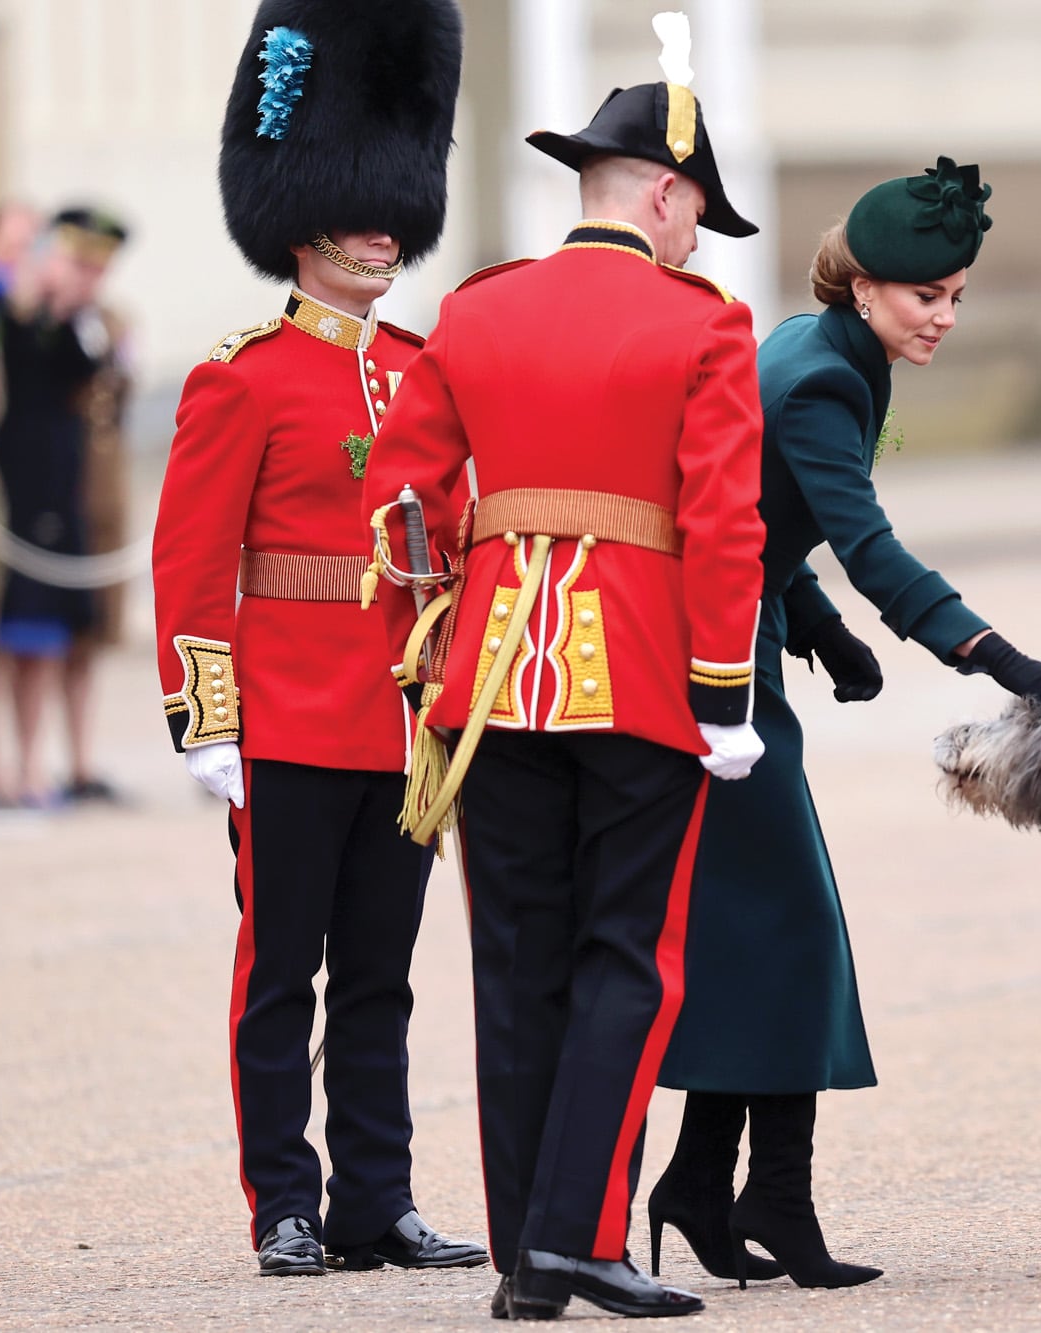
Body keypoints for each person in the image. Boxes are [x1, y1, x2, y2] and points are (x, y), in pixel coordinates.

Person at [361, 15, 767, 1319]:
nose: (697, 240)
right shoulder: (704, 321)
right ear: (662, 194)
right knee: (625, 962)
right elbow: (722, 523)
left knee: (516, 963)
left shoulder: (472, 311)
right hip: (643, 676)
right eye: (696, 213)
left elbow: (402, 511)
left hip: (489, 686)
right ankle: (578, 1238)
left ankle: (526, 1255)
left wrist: (422, 666)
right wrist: (725, 698)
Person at [646, 158, 1041, 1291]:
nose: (942, 317)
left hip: (733, 623)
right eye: (921, 296)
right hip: (706, 653)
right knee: (790, 920)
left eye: (954, 295)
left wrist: (811, 620)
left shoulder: (825, 347)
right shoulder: (825, 378)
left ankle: (706, 1183)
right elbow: (869, 541)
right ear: (862, 285)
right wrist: (994, 658)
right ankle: (767, 1200)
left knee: (762, 925)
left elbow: (749, 504)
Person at [150, 0, 485, 1280]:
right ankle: (284, 1201)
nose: (381, 228)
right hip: (287, 713)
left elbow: (448, 543)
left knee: (383, 984)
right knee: (280, 977)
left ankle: (377, 1201)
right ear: (302, 215)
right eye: (357, 206)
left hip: (398, 721)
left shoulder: (417, 366)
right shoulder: (240, 375)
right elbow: (192, 565)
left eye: (392, 204)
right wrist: (207, 716)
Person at [0, 207, 127, 806]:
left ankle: (32, 767)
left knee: (43, 639)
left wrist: (65, 307)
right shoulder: (4, 314)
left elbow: (89, 371)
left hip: (53, 493)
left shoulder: (60, 318)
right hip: (4, 496)